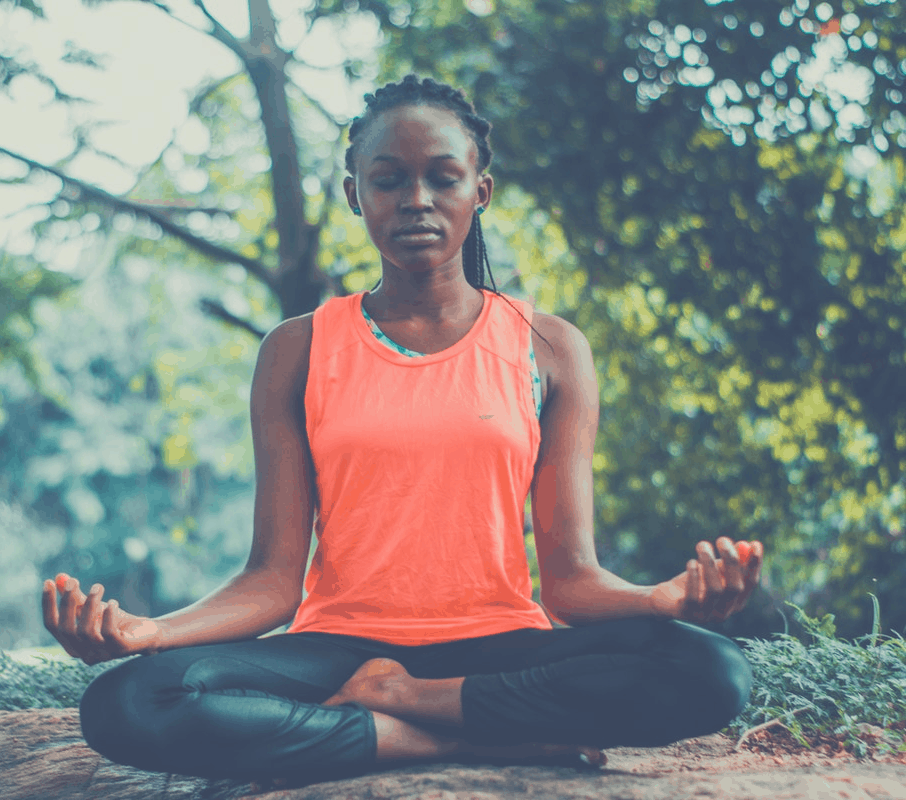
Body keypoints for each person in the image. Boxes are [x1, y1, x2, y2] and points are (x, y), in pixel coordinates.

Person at [41, 74, 764, 787]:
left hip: (496, 646)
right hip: (336, 649)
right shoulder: (297, 350)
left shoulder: (547, 347)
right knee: (130, 702)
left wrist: (663, 600)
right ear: (356, 192)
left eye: (442, 178)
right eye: (388, 180)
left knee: (709, 670)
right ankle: (447, 744)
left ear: (479, 190)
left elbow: (571, 584)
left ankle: (403, 704)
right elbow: (269, 581)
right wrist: (151, 633)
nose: (416, 200)